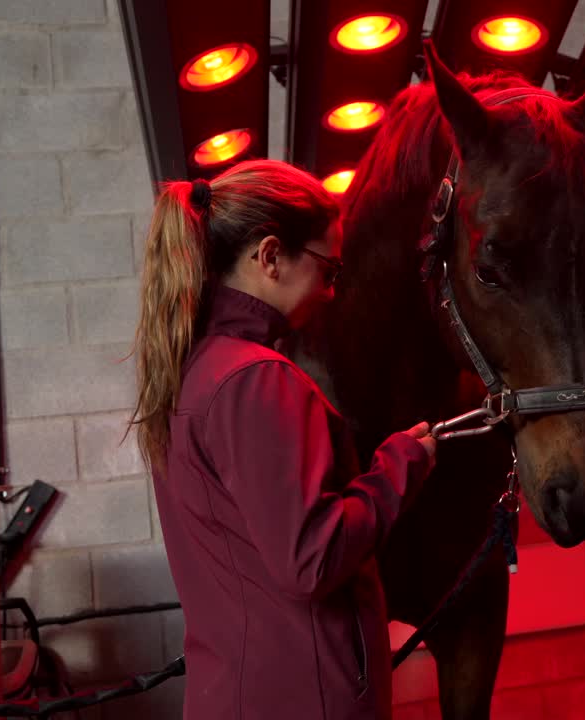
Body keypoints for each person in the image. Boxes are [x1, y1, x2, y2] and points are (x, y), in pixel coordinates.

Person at [129, 159, 436, 720]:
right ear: (270, 257)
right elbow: (310, 560)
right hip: (302, 699)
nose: (331, 292)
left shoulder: (195, 371)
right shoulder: (255, 379)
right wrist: (400, 465)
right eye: (329, 269)